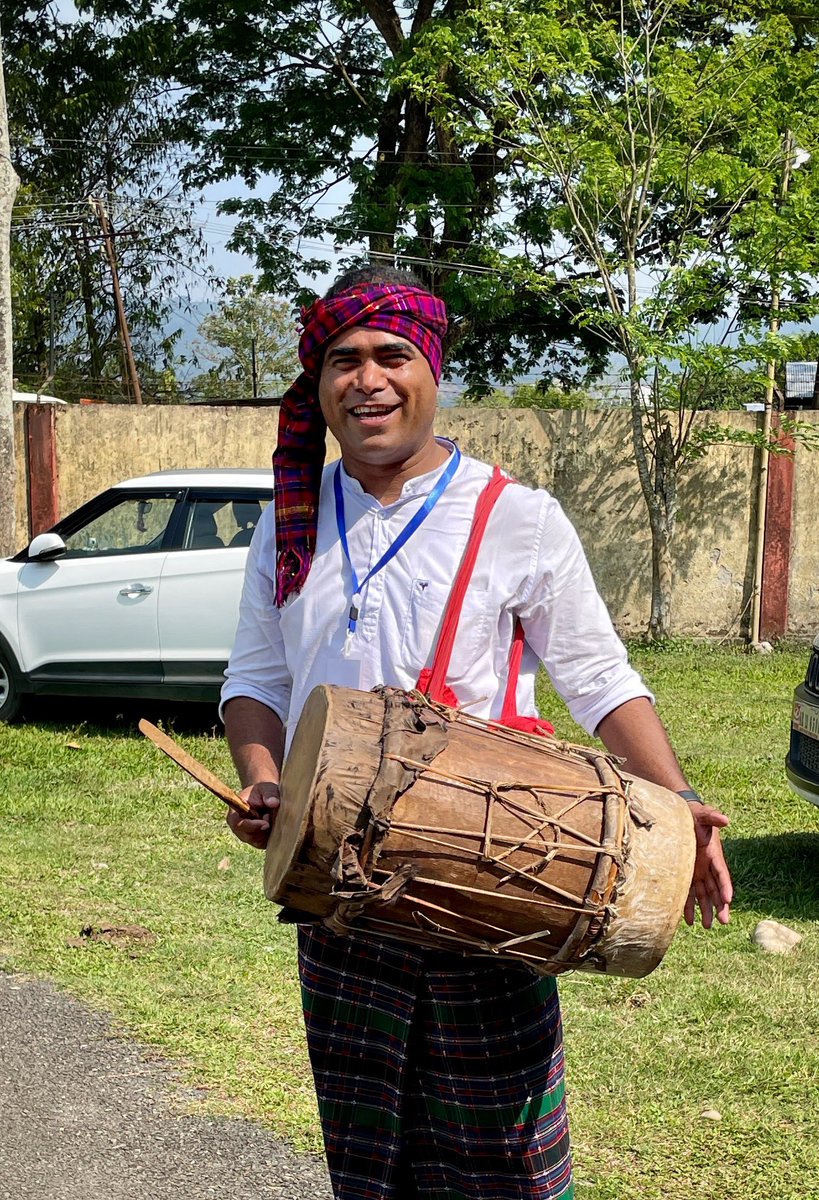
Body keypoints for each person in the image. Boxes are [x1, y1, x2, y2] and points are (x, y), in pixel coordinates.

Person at [221, 265, 733, 1200]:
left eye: (391, 355)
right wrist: (265, 781)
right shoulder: (288, 525)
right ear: (319, 384)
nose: (366, 379)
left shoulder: (518, 519)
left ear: (432, 369)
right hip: (337, 887)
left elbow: (599, 678)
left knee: (504, 1159)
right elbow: (255, 681)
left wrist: (682, 803)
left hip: (491, 874)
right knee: (368, 1154)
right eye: (342, 360)